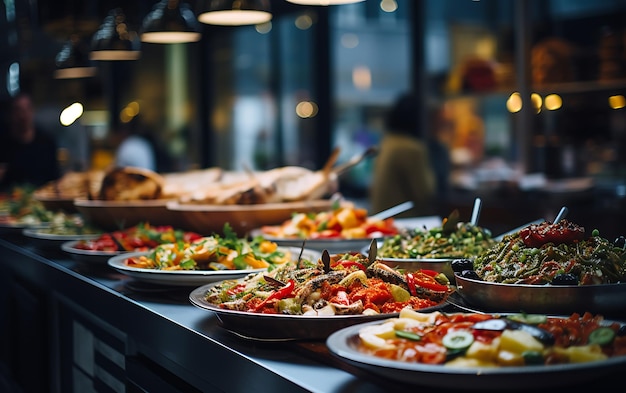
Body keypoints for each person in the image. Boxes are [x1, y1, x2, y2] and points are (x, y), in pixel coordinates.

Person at [369, 93, 437, 218]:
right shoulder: (411, 148)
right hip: (405, 223)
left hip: (382, 219)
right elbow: (425, 193)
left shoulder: (387, 142)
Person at [0, 92, 61, 191]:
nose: (23, 115)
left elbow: (55, 179)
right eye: (18, 110)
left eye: (27, 109)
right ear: (11, 114)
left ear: (33, 111)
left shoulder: (47, 142)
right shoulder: (3, 144)